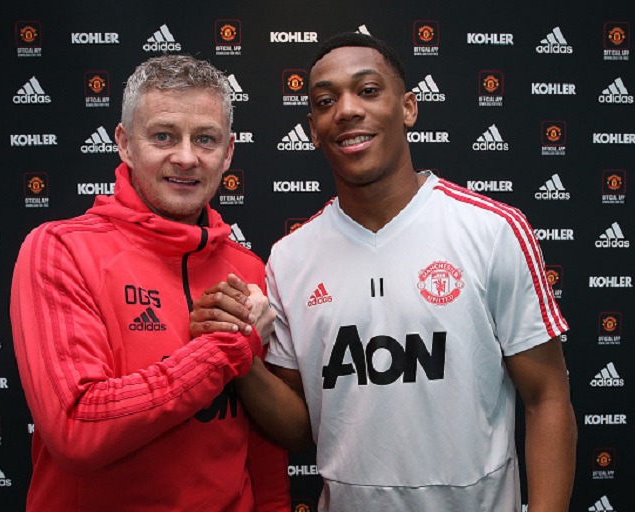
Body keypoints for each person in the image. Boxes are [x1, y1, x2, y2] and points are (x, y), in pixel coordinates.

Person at [190, 33, 577, 511]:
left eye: (368, 90)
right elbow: (298, 428)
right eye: (326, 101)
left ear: (409, 107)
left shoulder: (492, 229)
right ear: (313, 128)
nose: (347, 110)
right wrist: (241, 359)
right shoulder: (291, 258)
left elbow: (547, 398)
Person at [10, 54, 290, 511]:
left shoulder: (250, 269)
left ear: (229, 153)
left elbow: (261, 446)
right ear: (124, 143)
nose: (185, 157)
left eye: (205, 139)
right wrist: (225, 351)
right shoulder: (60, 249)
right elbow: (78, 427)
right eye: (163, 136)